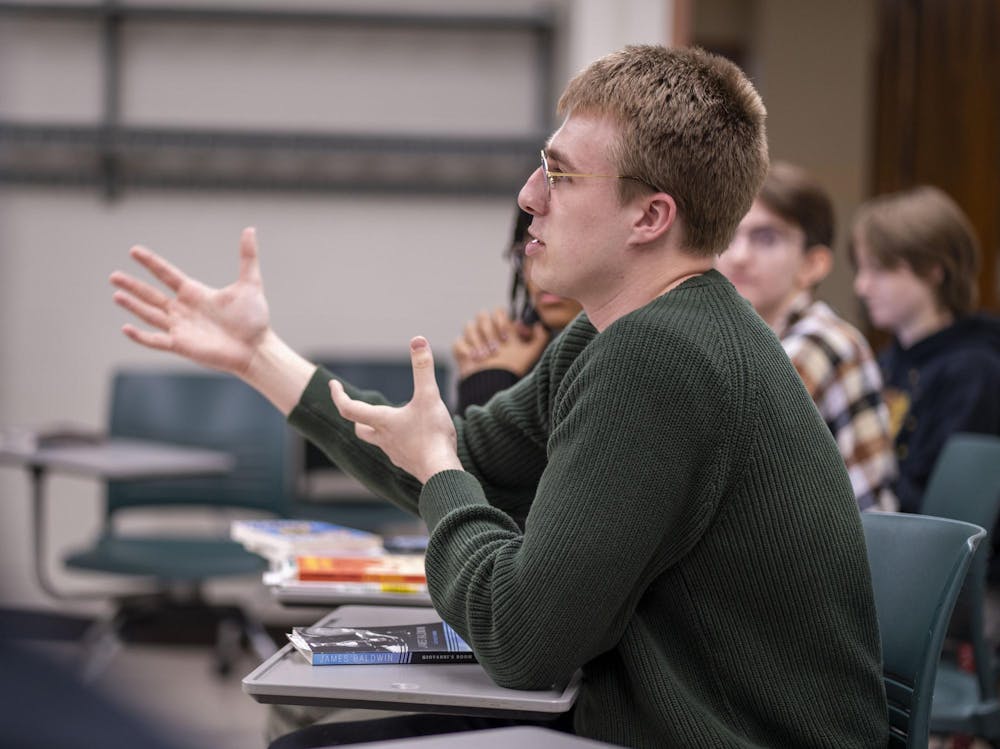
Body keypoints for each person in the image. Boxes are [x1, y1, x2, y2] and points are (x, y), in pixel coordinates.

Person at [110, 45, 888, 748]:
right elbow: (459, 454)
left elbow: (520, 638)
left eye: (560, 174)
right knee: (313, 718)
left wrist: (443, 472)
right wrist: (260, 356)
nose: (527, 197)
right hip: (637, 711)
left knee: (309, 736)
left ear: (651, 217)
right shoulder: (619, 331)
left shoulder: (661, 355)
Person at [716, 161, 897, 512]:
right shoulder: (753, 339)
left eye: (766, 238)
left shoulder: (820, 342)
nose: (738, 256)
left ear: (812, 264)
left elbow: (722, 472)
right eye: (729, 233)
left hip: (840, 557)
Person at [850, 185, 1000, 514]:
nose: (862, 286)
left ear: (934, 269)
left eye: (880, 269)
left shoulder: (976, 371)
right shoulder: (885, 362)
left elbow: (951, 516)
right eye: (861, 269)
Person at [452, 207, 583, 411]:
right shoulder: (524, 355)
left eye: (567, 244)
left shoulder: (627, 358)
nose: (540, 271)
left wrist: (492, 381)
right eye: (531, 247)